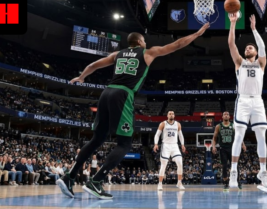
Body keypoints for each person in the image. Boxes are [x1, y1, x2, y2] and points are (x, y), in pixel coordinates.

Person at [57, 23, 210, 199]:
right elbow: (176, 45)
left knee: (97, 139)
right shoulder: (147, 53)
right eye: (144, 40)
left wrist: (82, 77)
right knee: (124, 144)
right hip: (123, 94)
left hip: (106, 93)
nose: (146, 43)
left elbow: (93, 65)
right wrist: (197, 34)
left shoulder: (117, 54)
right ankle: (96, 181)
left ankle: (69, 177)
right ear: (138, 42)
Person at [227, 13, 267, 188]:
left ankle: (263, 172)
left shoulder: (261, 64)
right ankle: (234, 172)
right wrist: (233, 23)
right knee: (239, 135)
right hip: (243, 101)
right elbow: (231, 44)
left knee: (261, 137)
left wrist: (254, 30)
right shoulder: (239, 63)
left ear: (256, 52)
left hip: (258, 101)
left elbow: (262, 46)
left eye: (251, 48)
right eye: (247, 48)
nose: (248, 49)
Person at [211, 111, 246, 190]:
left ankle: (238, 181)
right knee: (224, 166)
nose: (226, 115)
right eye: (224, 114)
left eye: (227, 114)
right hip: (222, 148)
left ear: (229, 117)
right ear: (222, 117)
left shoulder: (233, 126)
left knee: (235, 165)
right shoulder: (218, 126)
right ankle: (226, 183)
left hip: (232, 148)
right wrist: (213, 146)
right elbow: (214, 138)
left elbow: (239, 136)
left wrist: (242, 144)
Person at [154, 111, 186, 190]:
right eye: (170, 114)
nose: (171, 115)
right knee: (163, 165)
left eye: (172, 114)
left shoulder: (178, 124)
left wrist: (182, 144)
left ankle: (179, 183)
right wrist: (155, 144)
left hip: (175, 145)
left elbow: (181, 135)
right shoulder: (163, 124)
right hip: (166, 145)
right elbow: (157, 134)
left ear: (174, 115)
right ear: (167, 115)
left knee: (180, 162)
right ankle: (160, 184)